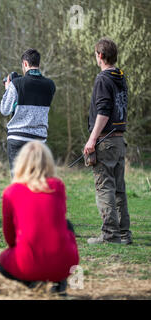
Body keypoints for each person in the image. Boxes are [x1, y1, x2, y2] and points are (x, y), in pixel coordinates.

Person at [0, 141, 79, 296]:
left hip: (27, 262)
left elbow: (9, 236)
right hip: (65, 263)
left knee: (1, 263)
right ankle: (60, 282)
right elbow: (58, 218)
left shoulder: (11, 192)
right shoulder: (57, 186)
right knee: (67, 224)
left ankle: (33, 283)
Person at [84, 38, 132, 245]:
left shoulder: (103, 78)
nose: (96, 58)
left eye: (96, 54)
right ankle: (124, 234)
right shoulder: (120, 77)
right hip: (120, 141)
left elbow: (103, 112)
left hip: (106, 140)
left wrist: (91, 140)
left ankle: (111, 235)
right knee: (119, 189)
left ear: (101, 56)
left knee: (105, 188)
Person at [0, 49, 55, 175]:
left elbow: (4, 109)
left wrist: (8, 90)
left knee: (18, 181)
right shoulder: (50, 85)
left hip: (18, 138)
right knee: (36, 180)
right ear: (38, 64)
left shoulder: (16, 84)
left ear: (25, 63)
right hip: (39, 140)